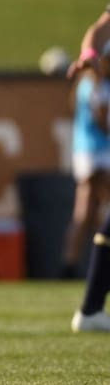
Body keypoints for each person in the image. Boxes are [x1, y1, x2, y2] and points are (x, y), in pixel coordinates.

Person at [65, 46, 110, 276]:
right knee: (100, 210)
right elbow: (102, 121)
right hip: (99, 152)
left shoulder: (84, 84)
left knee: (85, 210)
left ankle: (70, 264)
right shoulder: (98, 85)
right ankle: (98, 262)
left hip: (84, 151)